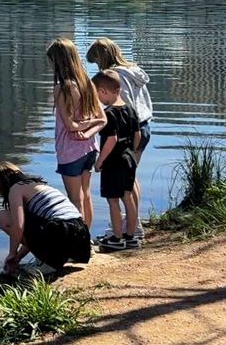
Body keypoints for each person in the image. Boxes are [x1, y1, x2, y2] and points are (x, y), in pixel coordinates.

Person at [86, 38, 153, 229]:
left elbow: (122, 109)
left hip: (129, 130)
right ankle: (133, 221)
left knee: (126, 181)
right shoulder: (133, 71)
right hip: (144, 126)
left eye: (97, 62)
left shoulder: (116, 77)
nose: (97, 67)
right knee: (131, 177)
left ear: (102, 58)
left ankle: (132, 225)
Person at [0, 161, 92, 273]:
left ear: (1, 183)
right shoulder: (39, 185)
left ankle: (48, 262)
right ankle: (59, 257)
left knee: (3, 217)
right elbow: (31, 233)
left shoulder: (16, 189)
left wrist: (12, 253)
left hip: (62, 233)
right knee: (39, 224)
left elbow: (18, 227)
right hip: (81, 238)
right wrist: (19, 257)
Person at [46, 38, 106, 227]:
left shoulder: (62, 88)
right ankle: (87, 238)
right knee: (86, 196)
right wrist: (89, 131)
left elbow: (70, 125)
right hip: (89, 148)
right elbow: (102, 119)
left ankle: (78, 243)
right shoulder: (87, 82)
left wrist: (83, 127)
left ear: (58, 62)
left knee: (74, 200)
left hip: (70, 151)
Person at [92, 69, 142, 250]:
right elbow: (138, 135)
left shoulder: (109, 114)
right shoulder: (130, 109)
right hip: (129, 159)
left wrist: (99, 162)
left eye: (97, 95)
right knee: (127, 197)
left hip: (113, 162)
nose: (98, 100)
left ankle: (117, 237)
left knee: (113, 200)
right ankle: (131, 236)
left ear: (103, 91)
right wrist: (133, 152)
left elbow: (111, 140)